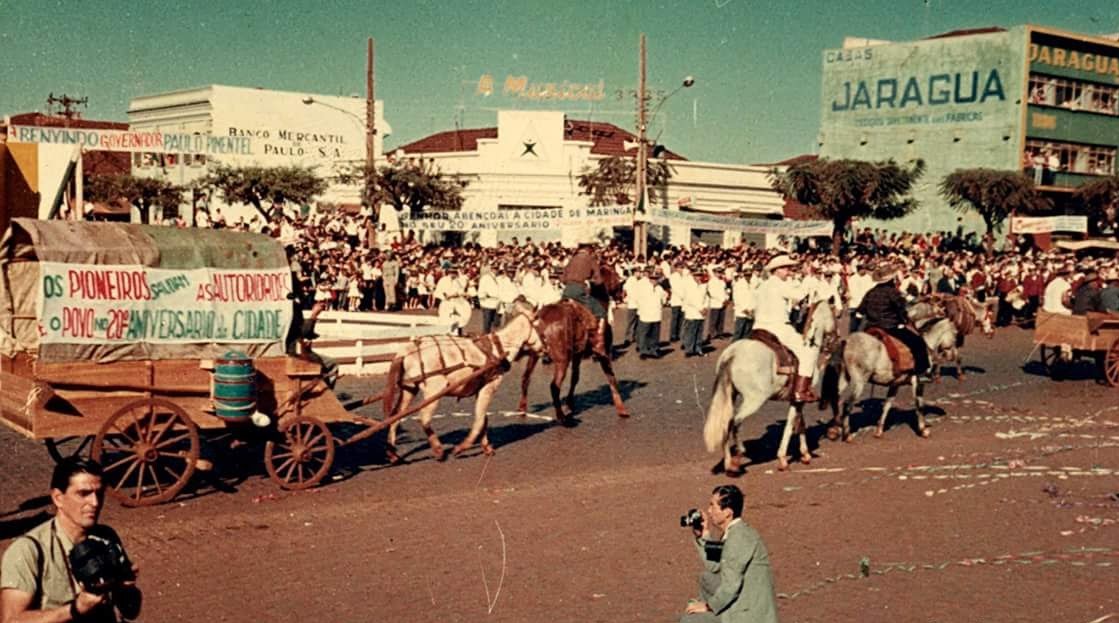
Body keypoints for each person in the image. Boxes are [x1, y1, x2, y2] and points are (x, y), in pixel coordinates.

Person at [1, 458, 142, 623]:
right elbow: (11, 620)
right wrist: (75, 610)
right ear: (58, 498)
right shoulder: (28, 550)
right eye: (83, 494)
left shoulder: (106, 537)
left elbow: (131, 611)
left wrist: (124, 588)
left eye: (99, 493)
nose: (95, 503)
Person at [680, 484, 778, 623]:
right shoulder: (734, 533)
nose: (709, 511)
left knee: (689, 621)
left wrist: (708, 606)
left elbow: (731, 586)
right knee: (706, 578)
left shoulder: (739, 538)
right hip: (740, 600)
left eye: (713, 506)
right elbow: (715, 567)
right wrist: (704, 534)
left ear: (727, 512)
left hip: (748, 614)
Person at [751, 255, 816, 402]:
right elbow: (799, 295)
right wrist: (808, 277)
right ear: (776, 270)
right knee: (807, 353)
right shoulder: (779, 284)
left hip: (758, 327)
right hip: (778, 326)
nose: (789, 271)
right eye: (786, 268)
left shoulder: (763, 284)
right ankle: (800, 392)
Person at [857, 263, 932, 382]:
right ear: (892, 279)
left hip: (870, 326)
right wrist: (904, 320)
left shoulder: (870, 292)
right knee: (918, 342)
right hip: (890, 326)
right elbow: (901, 309)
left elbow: (860, 311)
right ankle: (921, 372)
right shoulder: (893, 292)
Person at [561, 242, 608, 354]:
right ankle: (599, 343)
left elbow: (563, 278)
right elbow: (599, 280)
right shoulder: (590, 259)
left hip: (566, 291)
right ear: (589, 249)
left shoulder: (572, 259)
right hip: (580, 291)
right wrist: (590, 281)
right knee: (601, 313)